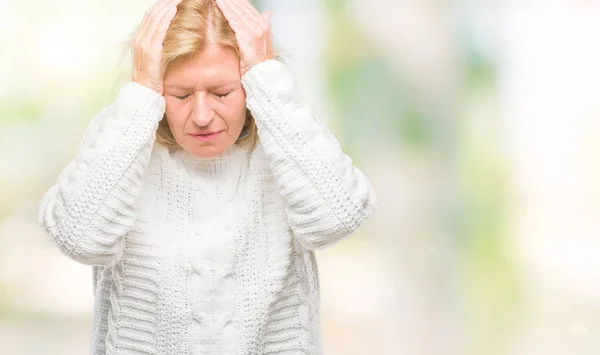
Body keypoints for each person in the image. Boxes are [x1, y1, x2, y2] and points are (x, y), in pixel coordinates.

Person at [37, 0, 377, 353]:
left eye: (222, 93)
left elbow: (338, 218)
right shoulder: (122, 142)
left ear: (251, 83)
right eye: (181, 94)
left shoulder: (288, 144)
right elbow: (80, 238)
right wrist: (140, 96)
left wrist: (267, 77)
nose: (202, 115)